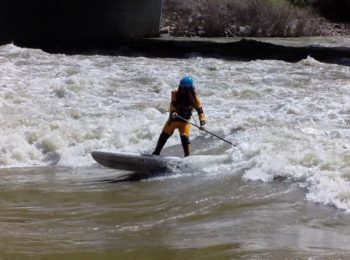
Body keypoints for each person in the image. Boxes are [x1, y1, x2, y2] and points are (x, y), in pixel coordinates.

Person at [153, 76, 206, 157]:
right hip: (173, 121)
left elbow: (200, 111)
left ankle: (187, 157)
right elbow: (172, 105)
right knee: (164, 135)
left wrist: (202, 122)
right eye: (181, 88)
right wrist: (173, 111)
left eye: (184, 89)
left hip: (185, 122)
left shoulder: (195, 99)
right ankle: (156, 153)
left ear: (189, 89)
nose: (182, 90)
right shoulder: (175, 93)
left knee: (185, 138)